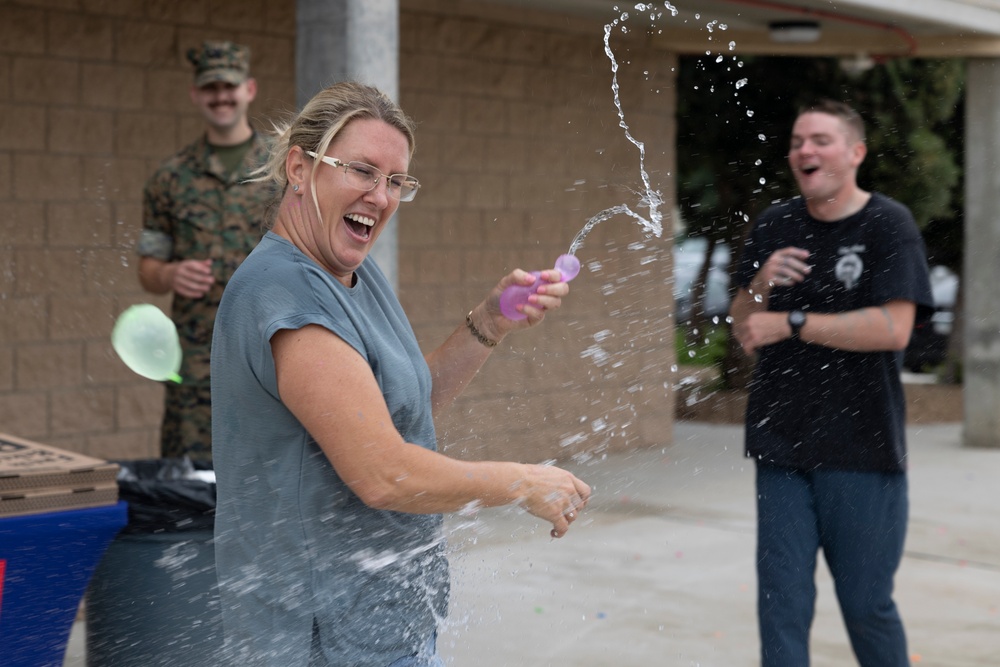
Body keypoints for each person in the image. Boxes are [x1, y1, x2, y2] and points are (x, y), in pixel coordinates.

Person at [210, 81, 591, 667]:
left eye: (396, 181)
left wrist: (489, 321)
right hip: (317, 636)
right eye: (362, 170)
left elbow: (394, 413)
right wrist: (522, 481)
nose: (381, 197)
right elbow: (382, 472)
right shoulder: (284, 294)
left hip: (380, 624)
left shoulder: (352, 274)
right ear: (299, 168)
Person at [729, 99, 933, 667]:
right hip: (781, 447)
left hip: (862, 450)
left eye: (820, 139)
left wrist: (793, 322)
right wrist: (763, 283)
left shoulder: (887, 224)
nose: (805, 151)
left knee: (867, 607)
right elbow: (744, 324)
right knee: (782, 605)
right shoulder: (775, 225)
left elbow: (894, 328)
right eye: (797, 141)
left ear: (855, 152)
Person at [136, 40, 273, 461]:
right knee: (191, 489)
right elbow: (148, 270)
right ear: (196, 94)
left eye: (228, 86)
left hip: (269, 354)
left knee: (269, 476)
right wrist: (171, 274)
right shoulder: (170, 178)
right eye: (210, 88)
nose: (220, 97)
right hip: (195, 366)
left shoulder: (283, 169)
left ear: (249, 89)